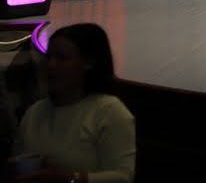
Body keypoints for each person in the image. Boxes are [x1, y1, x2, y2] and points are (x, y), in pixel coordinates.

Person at [9, 23, 135, 182]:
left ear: (88, 63)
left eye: (62, 58)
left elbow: (123, 177)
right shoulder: (34, 112)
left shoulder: (110, 111)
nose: (51, 65)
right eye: (49, 57)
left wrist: (72, 178)